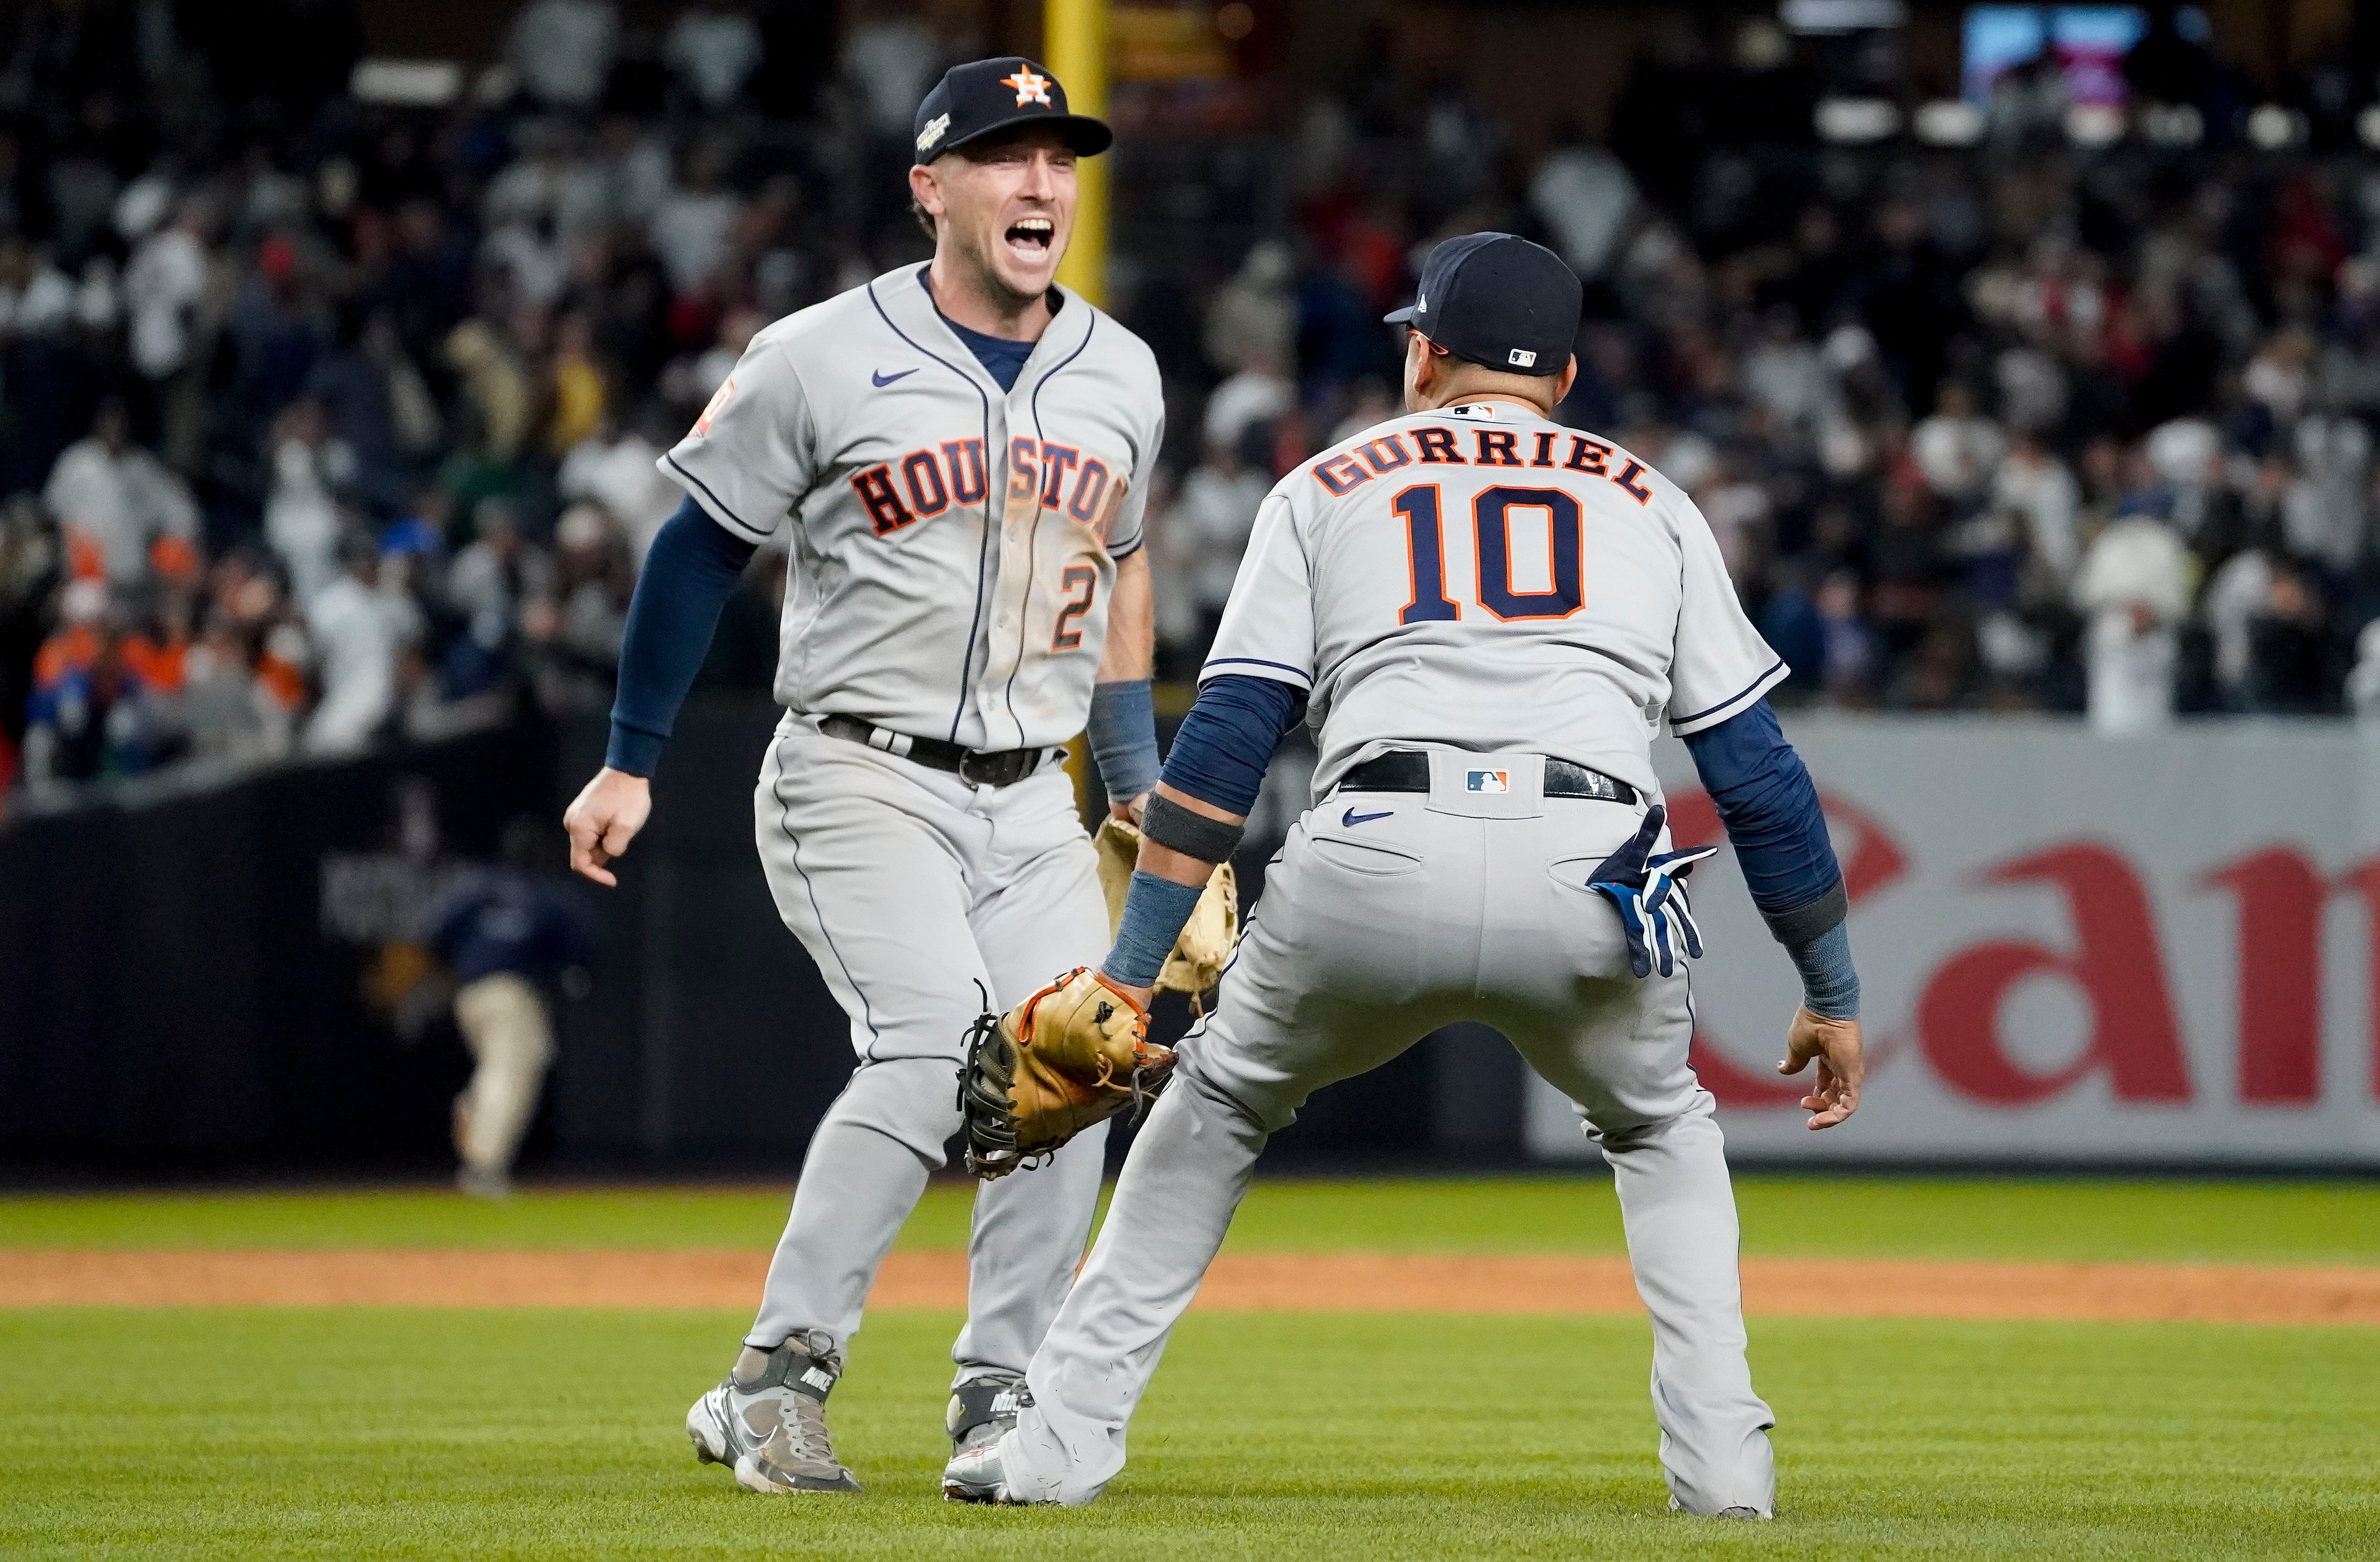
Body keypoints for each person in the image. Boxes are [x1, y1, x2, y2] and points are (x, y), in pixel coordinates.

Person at [944, 234, 1865, 1517]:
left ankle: (1055, 1445)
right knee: (1661, 1127)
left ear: (1425, 353)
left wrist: (1131, 975)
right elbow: (1759, 778)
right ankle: (1724, 1474)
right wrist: (1830, 987)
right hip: (1592, 865)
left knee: (1213, 1108)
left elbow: (1223, 747)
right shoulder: (1654, 500)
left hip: (1375, 845)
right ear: (1570, 374)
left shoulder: (1326, 483)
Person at [560, 57, 1166, 1496]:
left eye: (1057, 160)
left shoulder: (1123, 369)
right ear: (929, 187)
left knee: (1071, 1065)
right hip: (856, 770)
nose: (1038, 184)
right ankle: (774, 1378)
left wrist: (1131, 776)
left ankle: (1000, 1394)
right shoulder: (818, 353)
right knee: (925, 1046)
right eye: (1005, 157)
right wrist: (629, 760)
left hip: (1036, 793)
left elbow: (1125, 565)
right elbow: (696, 546)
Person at [426, 817, 597, 1196]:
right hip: (511, 994)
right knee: (510, 1074)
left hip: (471, 994)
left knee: (509, 1067)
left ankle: (475, 1107)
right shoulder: (547, 893)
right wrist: (567, 971)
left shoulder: (477, 887)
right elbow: (581, 945)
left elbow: (435, 929)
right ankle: (482, 1169)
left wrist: (461, 960)